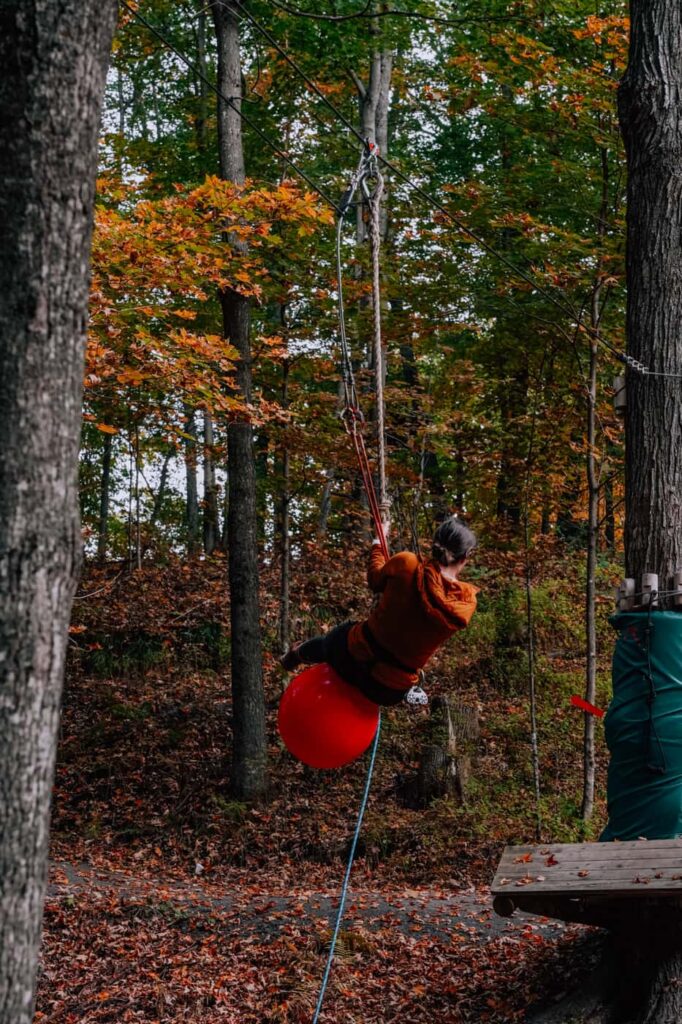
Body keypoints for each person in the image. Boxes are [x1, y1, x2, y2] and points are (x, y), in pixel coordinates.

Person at [280, 516, 479, 706]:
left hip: (351, 655)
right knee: (367, 699)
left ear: (435, 542)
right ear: (466, 556)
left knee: (332, 641)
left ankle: (297, 655)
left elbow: (375, 580)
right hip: (389, 690)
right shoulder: (463, 605)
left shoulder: (407, 564)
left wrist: (379, 540)